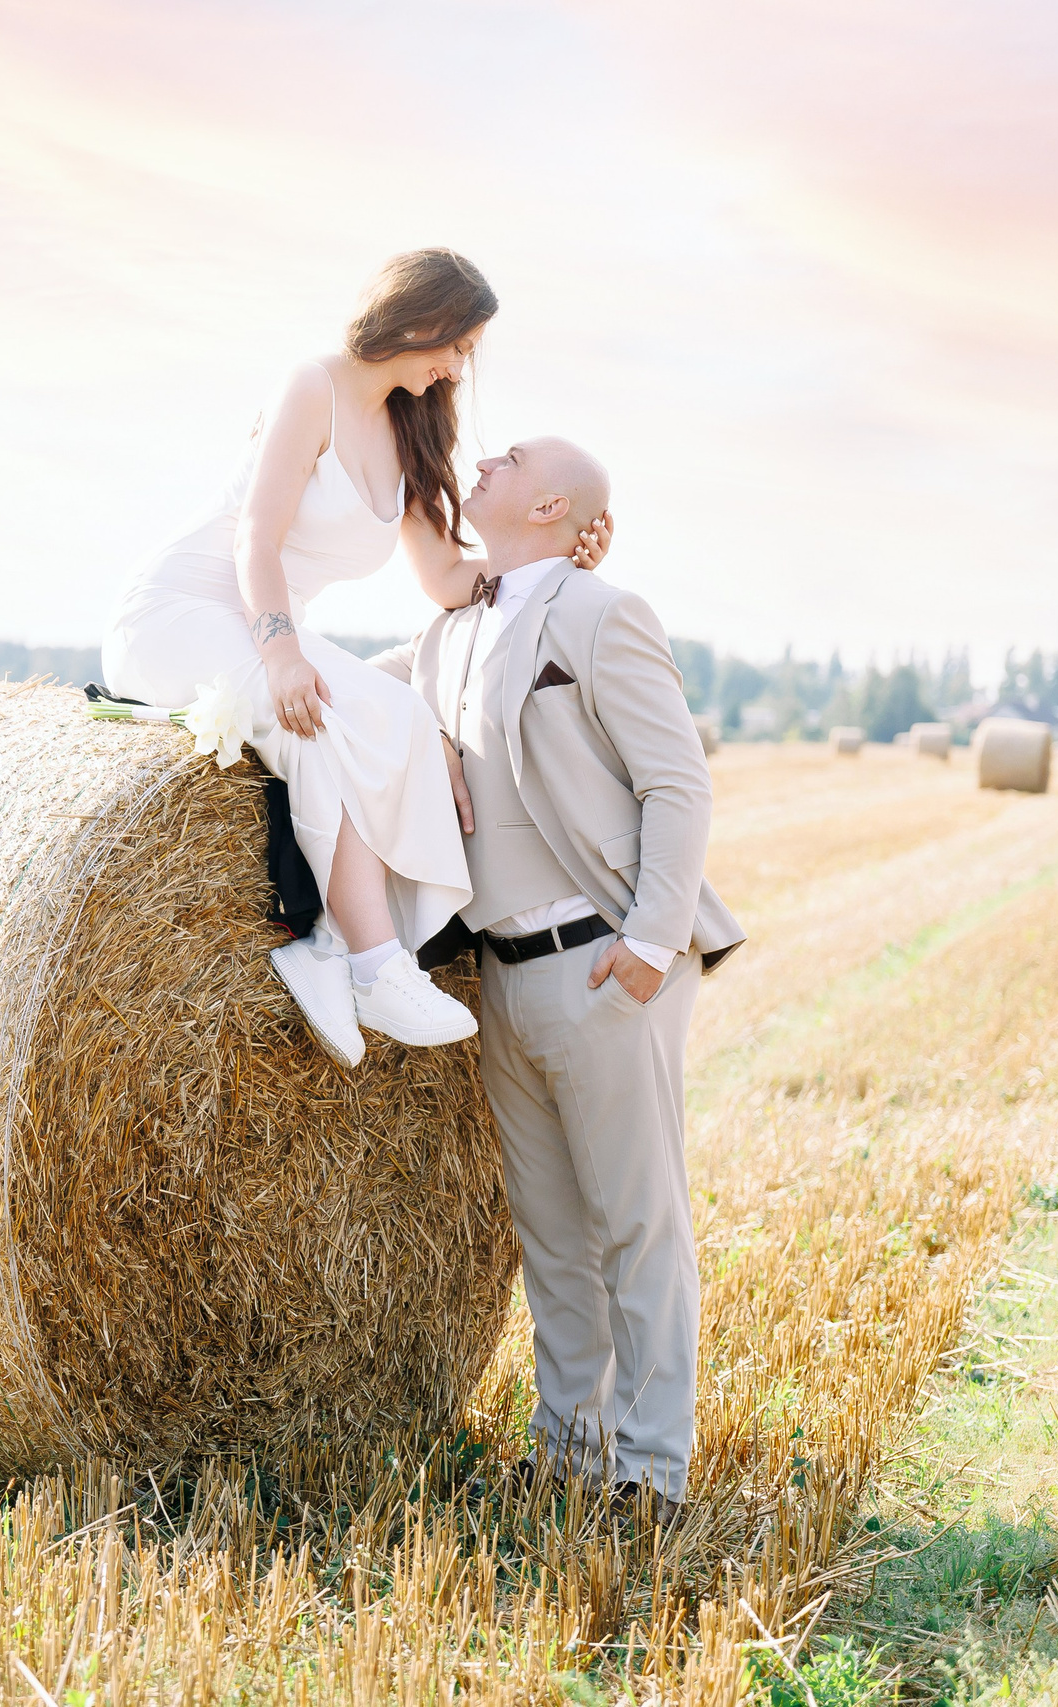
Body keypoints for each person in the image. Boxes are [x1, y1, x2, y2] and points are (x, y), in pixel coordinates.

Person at [100, 250, 609, 1067]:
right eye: (459, 346)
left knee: (399, 715)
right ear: (422, 319)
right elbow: (254, 537)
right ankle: (372, 963)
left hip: (263, 626)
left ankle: (335, 950)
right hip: (184, 609)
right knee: (322, 715)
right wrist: (280, 652)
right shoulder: (314, 386)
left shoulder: (413, 430)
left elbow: (445, 577)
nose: (458, 368)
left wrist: (553, 559)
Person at [370, 436, 743, 1522]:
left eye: (514, 454)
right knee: (549, 1234)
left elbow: (677, 785)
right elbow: (344, 697)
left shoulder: (600, 615)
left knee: (637, 1224)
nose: (486, 456)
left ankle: (651, 1472)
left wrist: (649, 944)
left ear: (550, 506)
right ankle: (569, 1448)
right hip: (501, 976)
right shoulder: (444, 635)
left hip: (601, 964)